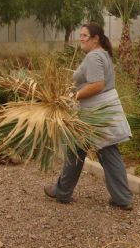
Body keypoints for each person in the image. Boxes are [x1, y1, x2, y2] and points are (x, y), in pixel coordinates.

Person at [44, 23, 133, 210]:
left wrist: (71, 96)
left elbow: (97, 85)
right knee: (76, 149)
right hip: (96, 112)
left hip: (96, 113)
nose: (81, 38)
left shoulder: (94, 57)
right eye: (80, 35)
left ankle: (123, 198)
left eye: (84, 35)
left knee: (107, 152)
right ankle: (63, 190)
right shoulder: (101, 54)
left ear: (95, 38)